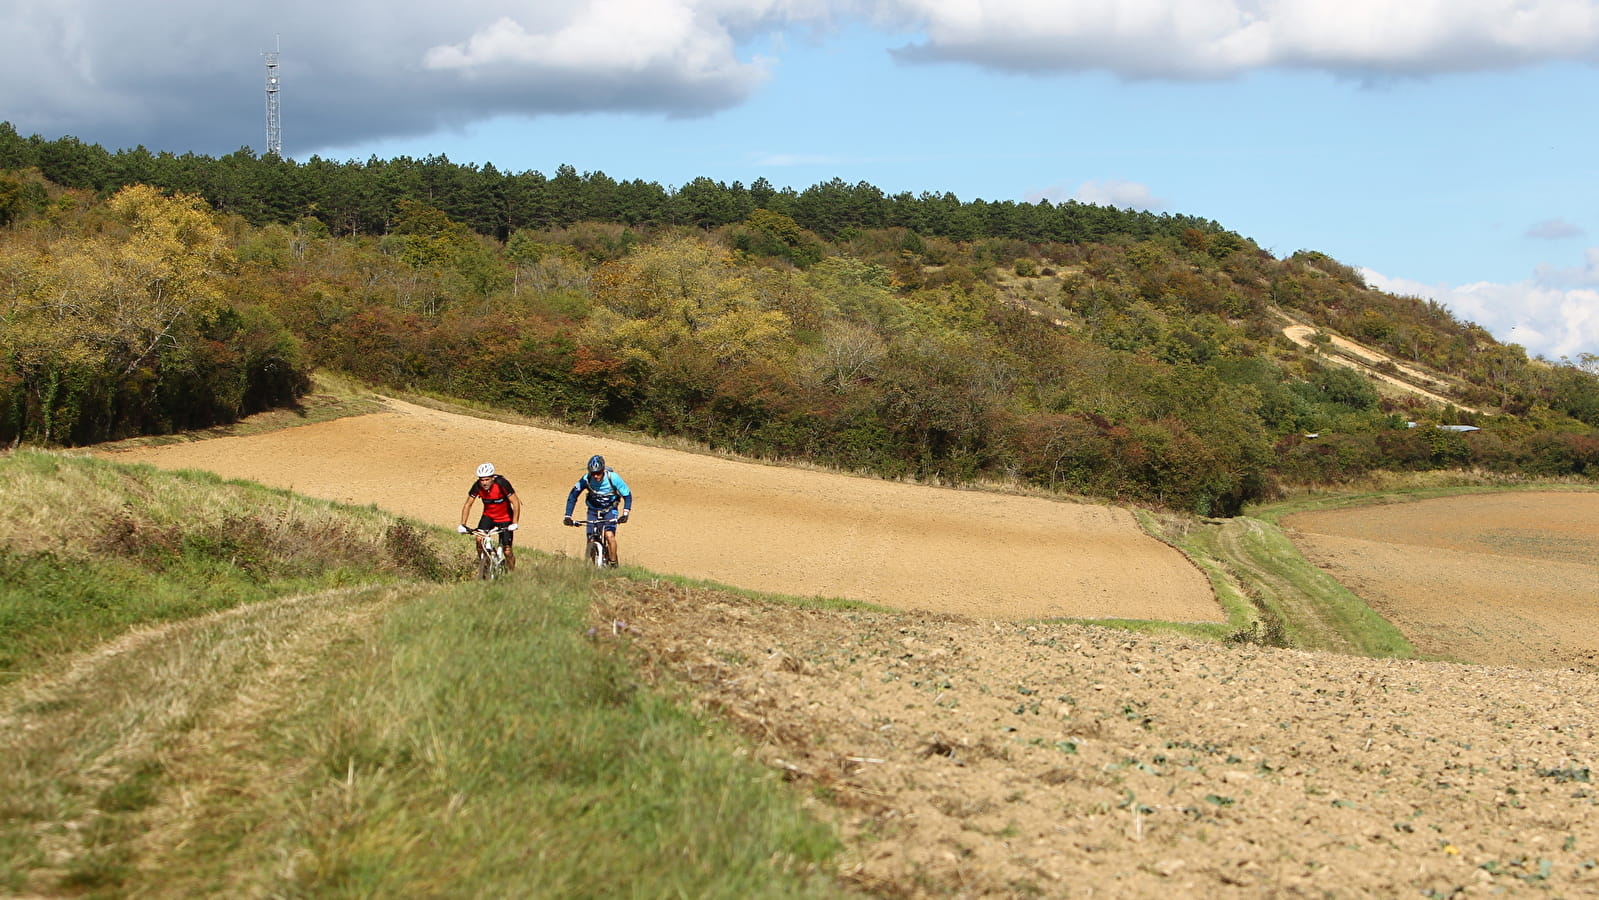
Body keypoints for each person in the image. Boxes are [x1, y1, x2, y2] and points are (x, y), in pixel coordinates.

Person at [563, 454, 632, 567]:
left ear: (603, 470)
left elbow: (627, 495)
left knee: (609, 535)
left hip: (610, 510)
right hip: (593, 510)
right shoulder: (586, 479)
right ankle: (594, 565)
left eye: (598, 473)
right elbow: (573, 496)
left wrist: (625, 514)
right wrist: (567, 516)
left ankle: (613, 564)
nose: (596, 476)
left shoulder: (613, 478)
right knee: (590, 540)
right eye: (593, 473)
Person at [459, 462, 521, 571]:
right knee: (479, 539)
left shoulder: (502, 483)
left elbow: (515, 502)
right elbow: (468, 504)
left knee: (507, 550)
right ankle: (485, 567)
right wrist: (462, 524)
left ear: (492, 478)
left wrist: (515, 523)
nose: (484, 483)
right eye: (481, 480)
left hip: (505, 518)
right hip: (488, 516)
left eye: (487, 479)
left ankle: (512, 574)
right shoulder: (477, 486)